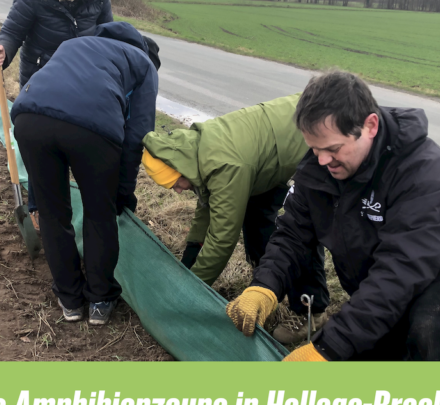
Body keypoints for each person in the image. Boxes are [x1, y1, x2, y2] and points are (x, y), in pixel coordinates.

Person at [226, 71, 440, 361]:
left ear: (370, 125)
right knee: (365, 352)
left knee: (430, 328)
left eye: (332, 149)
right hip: (383, 276)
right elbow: (293, 234)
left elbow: (401, 270)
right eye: (314, 149)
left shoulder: (425, 172)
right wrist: (263, 287)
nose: (322, 161)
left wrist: (326, 349)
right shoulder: (320, 169)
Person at [141, 95, 329, 342]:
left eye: (175, 183)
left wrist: (187, 293)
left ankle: (311, 312)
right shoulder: (195, 150)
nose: (176, 190)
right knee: (257, 218)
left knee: (303, 228)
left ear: (181, 169)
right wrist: (187, 264)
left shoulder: (224, 165)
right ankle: (268, 285)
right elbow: (206, 211)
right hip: (266, 158)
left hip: (313, 131)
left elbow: (222, 240)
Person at [10, 22, 160, 326]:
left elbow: (48, 99)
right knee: (98, 214)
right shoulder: (145, 64)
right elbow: (137, 136)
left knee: (53, 214)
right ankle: (100, 299)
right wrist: (121, 191)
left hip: (28, 118)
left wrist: (36, 199)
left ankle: (70, 300)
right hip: (92, 128)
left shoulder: (74, 45)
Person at [0, 0, 113, 233]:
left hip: (82, 84)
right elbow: (13, 31)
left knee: (74, 146)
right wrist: (2, 53)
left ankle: (73, 204)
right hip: (39, 83)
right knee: (40, 148)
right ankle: (38, 208)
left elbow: (108, 35)